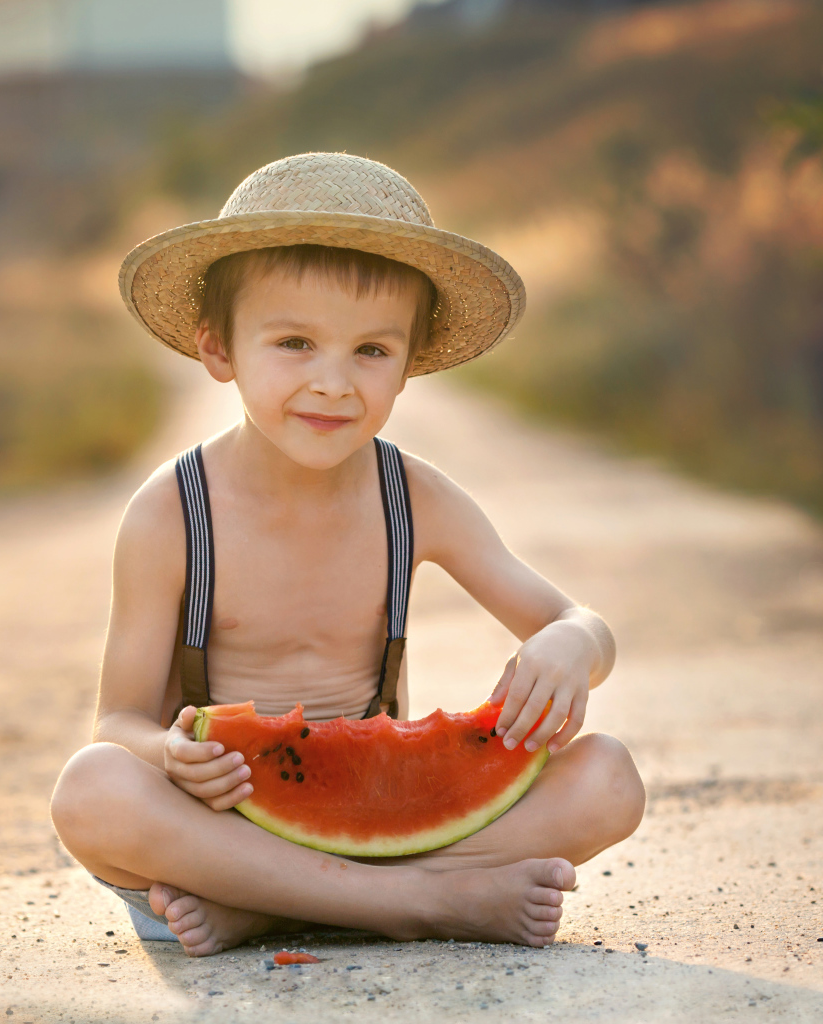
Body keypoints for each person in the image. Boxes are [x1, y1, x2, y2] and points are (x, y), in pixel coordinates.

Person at [50, 153, 645, 957]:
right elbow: (117, 721)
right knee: (89, 789)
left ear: (409, 365)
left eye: (371, 350)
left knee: (609, 778)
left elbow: (575, 621)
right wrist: (169, 753)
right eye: (295, 342)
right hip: (219, 834)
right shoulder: (171, 515)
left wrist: (574, 643)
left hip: (385, 829)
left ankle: (278, 914)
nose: (333, 383)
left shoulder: (414, 499)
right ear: (218, 351)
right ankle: (417, 907)